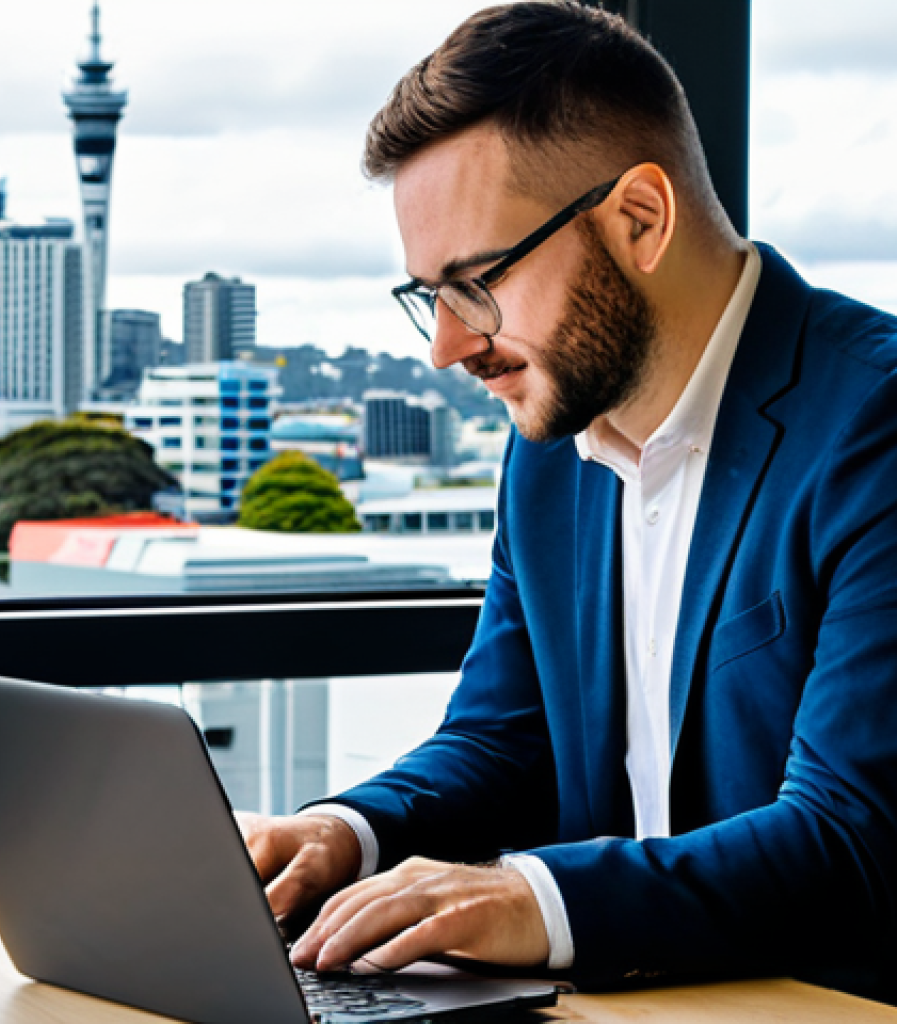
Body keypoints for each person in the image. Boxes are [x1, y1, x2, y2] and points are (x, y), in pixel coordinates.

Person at [239, 1, 897, 998]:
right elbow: (506, 738)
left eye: (477, 282)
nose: (448, 346)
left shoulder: (873, 424)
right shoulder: (552, 441)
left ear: (640, 220)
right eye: (429, 295)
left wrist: (529, 901)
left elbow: (850, 838)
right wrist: (345, 832)